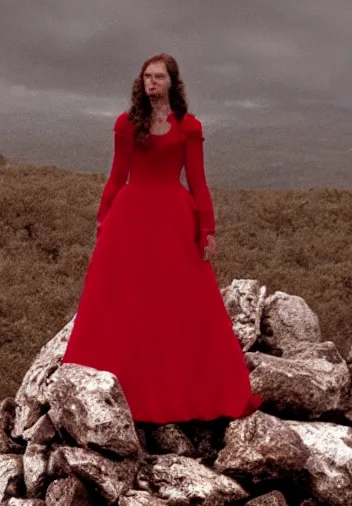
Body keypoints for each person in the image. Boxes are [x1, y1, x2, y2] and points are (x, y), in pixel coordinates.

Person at [62, 53, 261, 424]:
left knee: (178, 302)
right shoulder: (126, 124)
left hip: (172, 217)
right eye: (147, 76)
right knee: (123, 300)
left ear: (172, 82)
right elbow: (116, 175)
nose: (151, 82)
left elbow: (198, 181)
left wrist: (207, 228)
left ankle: (184, 391)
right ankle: (120, 388)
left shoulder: (189, 127)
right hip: (130, 217)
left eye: (158, 76)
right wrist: (103, 218)